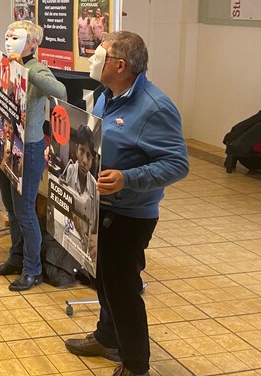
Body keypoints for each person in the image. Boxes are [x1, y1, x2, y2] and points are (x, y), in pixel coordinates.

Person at [65, 31, 189, 376]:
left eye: (99, 54)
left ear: (120, 65)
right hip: (99, 208)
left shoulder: (155, 107)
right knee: (103, 281)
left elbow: (178, 164)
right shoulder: (107, 94)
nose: (92, 59)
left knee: (123, 290)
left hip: (130, 215)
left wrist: (127, 178)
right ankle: (107, 338)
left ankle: (136, 365)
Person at [0, 21, 67, 291]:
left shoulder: (37, 68)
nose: (9, 40)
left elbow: (59, 92)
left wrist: (24, 70)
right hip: (4, 143)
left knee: (25, 211)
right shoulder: (5, 66)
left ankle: (32, 269)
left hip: (28, 148)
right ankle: (16, 257)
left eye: (17, 37)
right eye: (8, 35)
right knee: (11, 209)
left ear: (33, 43)